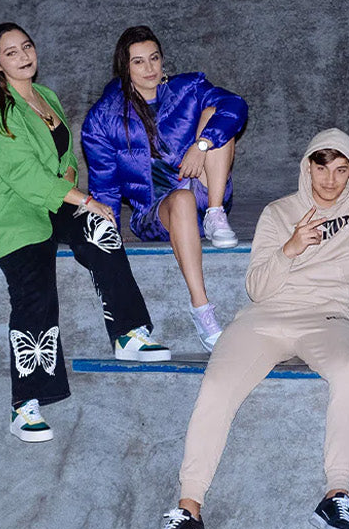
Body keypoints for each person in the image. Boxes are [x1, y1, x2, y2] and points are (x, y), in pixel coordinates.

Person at [142, 129, 349, 529]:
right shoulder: (279, 212)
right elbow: (257, 287)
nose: (331, 180)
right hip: (266, 317)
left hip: (330, 317)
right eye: (322, 167)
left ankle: (337, 496)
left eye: (342, 170)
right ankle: (188, 511)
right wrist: (290, 248)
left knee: (346, 374)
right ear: (308, 167)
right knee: (215, 387)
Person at [0, 23, 170, 443]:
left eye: (27, 46)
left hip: (51, 199)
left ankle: (128, 334)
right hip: (13, 213)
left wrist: (76, 189)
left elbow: (64, 161)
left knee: (98, 228)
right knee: (35, 293)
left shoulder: (47, 98)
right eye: (11, 52)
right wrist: (84, 197)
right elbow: (25, 177)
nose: (24, 55)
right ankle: (24, 405)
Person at [82, 25, 248, 352]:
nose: (150, 69)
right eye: (139, 62)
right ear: (124, 68)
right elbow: (104, 184)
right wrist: (108, 235)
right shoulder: (104, 117)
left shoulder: (188, 88)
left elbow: (236, 106)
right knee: (181, 199)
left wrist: (201, 145)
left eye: (154, 58)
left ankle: (215, 214)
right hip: (155, 212)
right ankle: (202, 310)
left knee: (218, 115)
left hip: (202, 187)